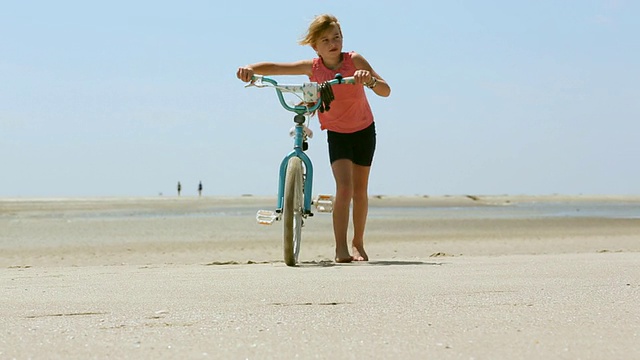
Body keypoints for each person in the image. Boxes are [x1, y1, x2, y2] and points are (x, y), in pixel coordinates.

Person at [236, 14, 390, 263]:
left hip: (363, 129)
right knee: (344, 188)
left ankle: (358, 243)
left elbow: (386, 90)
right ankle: (341, 248)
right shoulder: (314, 68)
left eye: (336, 37)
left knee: (360, 190)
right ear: (315, 46)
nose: (333, 43)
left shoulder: (355, 60)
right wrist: (250, 69)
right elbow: (276, 68)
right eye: (326, 40)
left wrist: (369, 80)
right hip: (337, 133)